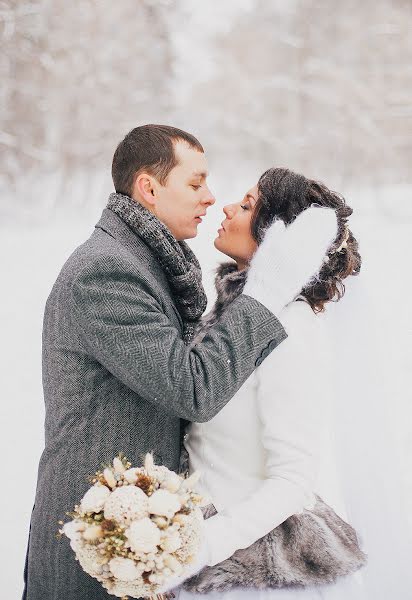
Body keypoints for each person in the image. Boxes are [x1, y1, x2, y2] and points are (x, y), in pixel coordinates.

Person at [22, 127, 337, 600]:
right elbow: (192, 388)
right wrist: (266, 292)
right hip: (96, 536)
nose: (213, 199)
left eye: (242, 202)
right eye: (195, 184)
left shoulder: (154, 266)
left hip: (160, 546)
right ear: (149, 188)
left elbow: (290, 469)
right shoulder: (108, 271)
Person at [173, 168, 371, 599]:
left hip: (254, 571)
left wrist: (201, 546)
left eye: (246, 206)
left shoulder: (291, 327)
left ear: (280, 240)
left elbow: (293, 478)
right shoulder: (230, 315)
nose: (226, 206)